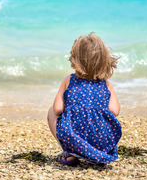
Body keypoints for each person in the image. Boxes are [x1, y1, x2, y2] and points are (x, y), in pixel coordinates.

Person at [47, 32, 122, 166]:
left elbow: (57, 109)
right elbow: (115, 111)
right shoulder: (106, 84)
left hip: (73, 139)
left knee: (51, 112)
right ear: (104, 59)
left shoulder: (69, 80)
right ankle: (98, 151)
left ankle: (69, 154)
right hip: (102, 142)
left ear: (75, 59)